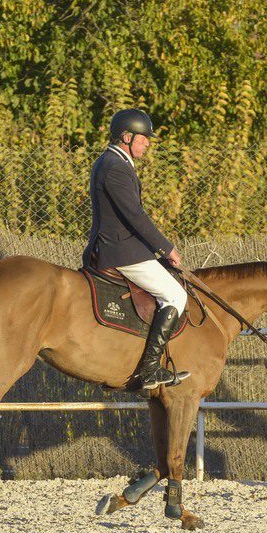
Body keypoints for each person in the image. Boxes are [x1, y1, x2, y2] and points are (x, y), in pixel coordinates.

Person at [83, 109, 189, 389]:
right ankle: (150, 370)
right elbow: (135, 216)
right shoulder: (115, 166)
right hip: (120, 250)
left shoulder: (111, 162)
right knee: (175, 295)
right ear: (126, 137)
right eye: (143, 138)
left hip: (121, 245)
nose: (148, 143)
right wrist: (166, 249)